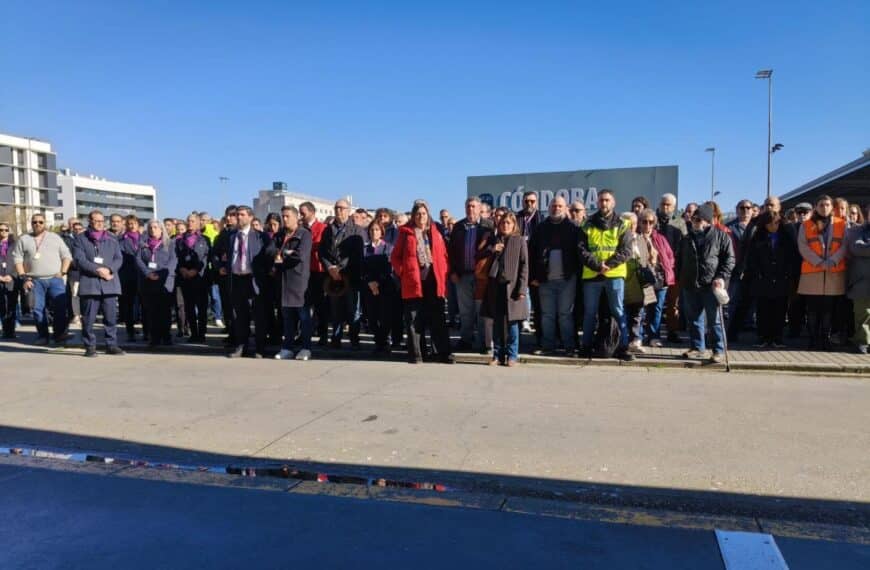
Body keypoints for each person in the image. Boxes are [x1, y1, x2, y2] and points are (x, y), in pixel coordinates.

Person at [390, 201, 454, 364]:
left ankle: (442, 353)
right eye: (418, 214)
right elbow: (395, 257)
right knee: (414, 320)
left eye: (424, 213)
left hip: (433, 281)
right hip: (414, 282)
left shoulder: (436, 231)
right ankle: (417, 354)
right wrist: (404, 272)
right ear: (413, 215)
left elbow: (444, 255)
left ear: (428, 214)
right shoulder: (406, 233)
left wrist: (444, 272)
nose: (421, 217)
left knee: (438, 319)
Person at [675, 203, 735, 363]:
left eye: (699, 219)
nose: (695, 222)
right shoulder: (687, 238)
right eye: (694, 219)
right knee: (693, 319)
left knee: (714, 320)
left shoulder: (721, 236)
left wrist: (721, 277)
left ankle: (718, 350)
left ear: (708, 221)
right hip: (690, 284)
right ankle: (697, 348)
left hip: (711, 285)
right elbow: (679, 259)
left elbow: (729, 260)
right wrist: (680, 279)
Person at [579, 190, 634, 361]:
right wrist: (597, 265)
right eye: (601, 200)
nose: (604, 203)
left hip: (614, 275)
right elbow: (581, 250)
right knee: (589, 313)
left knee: (618, 311)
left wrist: (607, 266)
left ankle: (624, 347)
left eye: (607, 200)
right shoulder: (587, 223)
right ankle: (586, 347)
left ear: (613, 202)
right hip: (592, 275)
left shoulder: (623, 224)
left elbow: (626, 251)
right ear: (597, 202)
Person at [528, 196, 579, 355]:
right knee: (547, 315)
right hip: (545, 280)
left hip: (567, 280)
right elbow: (532, 253)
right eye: (553, 206)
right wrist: (533, 276)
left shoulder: (573, 228)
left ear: (565, 208)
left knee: (565, 315)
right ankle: (547, 346)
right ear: (549, 208)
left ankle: (569, 347)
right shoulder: (540, 228)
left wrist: (575, 274)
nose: (556, 208)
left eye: (559, 206)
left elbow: (579, 253)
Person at [13, 213, 72, 346]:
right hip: (34, 280)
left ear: (45, 223)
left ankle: (59, 334)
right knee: (38, 309)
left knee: (60, 308)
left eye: (40, 222)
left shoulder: (55, 238)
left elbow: (66, 255)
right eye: (35, 222)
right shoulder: (24, 239)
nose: (37, 224)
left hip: (54, 279)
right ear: (31, 223)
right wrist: (23, 277)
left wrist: (63, 272)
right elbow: (17, 259)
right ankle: (43, 335)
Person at [796, 195, 847, 351]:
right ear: (816, 206)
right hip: (812, 272)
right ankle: (813, 339)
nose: (824, 207)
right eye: (821, 205)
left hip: (833, 272)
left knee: (828, 310)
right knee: (812, 309)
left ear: (832, 207)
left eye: (827, 205)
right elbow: (802, 246)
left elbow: (845, 245)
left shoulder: (841, 224)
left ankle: (825, 339)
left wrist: (833, 260)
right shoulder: (806, 225)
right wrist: (818, 261)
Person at [72, 210, 125, 357]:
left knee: (110, 317)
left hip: (109, 283)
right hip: (90, 284)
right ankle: (90, 346)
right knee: (88, 319)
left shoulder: (112, 239)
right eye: (96, 221)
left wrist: (109, 269)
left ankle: (111, 345)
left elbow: (118, 259)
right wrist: (97, 270)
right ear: (90, 221)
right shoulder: (80, 239)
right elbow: (79, 260)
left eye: (102, 221)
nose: (100, 224)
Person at [744, 211, 799, 348]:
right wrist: (758, 273)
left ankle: (777, 337)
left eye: (776, 223)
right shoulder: (758, 238)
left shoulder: (786, 238)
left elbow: (792, 258)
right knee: (763, 310)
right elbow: (751, 259)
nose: (774, 226)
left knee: (780, 310)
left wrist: (787, 274)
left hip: (781, 279)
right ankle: (763, 337)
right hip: (763, 279)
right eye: (770, 223)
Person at [480, 212, 528, 366]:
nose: (505, 225)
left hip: (512, 288)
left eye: (508, 223)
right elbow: (481, 256)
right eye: (502, 223)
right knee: (497, 323)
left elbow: (524, 266)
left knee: (512, 323)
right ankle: (497, 355)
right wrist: (493, 250)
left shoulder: (519, 241)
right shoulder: (494, 240)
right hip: (496, 286)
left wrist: (521, 289)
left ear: (514, 225)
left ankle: (512, 356)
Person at [447, 197, 494, 352]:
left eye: (473, 206)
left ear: (480, 208)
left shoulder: (488, 226)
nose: (470, 209)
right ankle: (466, 340)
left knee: (481, 310)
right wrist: (453, 271)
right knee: (465, 311)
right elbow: (451, 252)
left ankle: (483, 342)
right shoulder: (459, 227)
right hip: (462, 276)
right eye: (468, 206)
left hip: (481, 276)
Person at [223, 205, 270, 358]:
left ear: (250, 217)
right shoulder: (231, 236)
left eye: (242, 214)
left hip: (253, 280)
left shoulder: (260, 236)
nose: (239, 217)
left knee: (259, 315)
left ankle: (260, 347)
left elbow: (268, 257)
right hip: (236, 279)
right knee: (239, 315)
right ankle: (241, 346)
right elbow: (223, 256)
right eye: (237, 215)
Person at [319, 199, 367, 349]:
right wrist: (330, 268)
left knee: (353, 310)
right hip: (333, 277)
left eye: (342, 208)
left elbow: (357, 253)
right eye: (336, 208)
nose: (338, 211)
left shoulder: (357, 230)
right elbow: (322, 251)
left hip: (350, 275)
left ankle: (354, 338)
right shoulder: (328, 229)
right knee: (335, 310)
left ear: (348, 210)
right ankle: (336, 338)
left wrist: (339, 268)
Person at [273, 206, 313, 361]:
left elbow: (300, 256)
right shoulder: (279, 235)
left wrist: (282, 255)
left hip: (299, 281)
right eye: (283, 216)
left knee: (304, 317)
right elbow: (270, 251)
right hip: (283, 281)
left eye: (288, 216)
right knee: (287, 318)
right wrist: (283, 254)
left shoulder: (304, 234)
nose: (285, 219)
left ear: (296, 218)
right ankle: (287, 347)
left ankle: (306, 347)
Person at [136, 219, 177, 348]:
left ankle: (166, 336)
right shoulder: (143, 244)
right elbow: (138, 260)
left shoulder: (169, 243)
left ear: (161, 229)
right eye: (150, 228)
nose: (152, 230)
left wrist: (162, 274)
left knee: (164, 311)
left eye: (155, 227)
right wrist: (148, 273)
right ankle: (154, 337)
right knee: (151, 312)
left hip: (164, 281)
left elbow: (173, 260)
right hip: (148, 281)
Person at [656, 193, 687, 343]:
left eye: (668, 205)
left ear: (674, 207)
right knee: (654, 304)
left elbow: (684, 246)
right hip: (655, 269)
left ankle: (672, 332)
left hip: (674, 270)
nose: (665, 207)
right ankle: (653, 334)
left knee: (672, 304)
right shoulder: (653, 221)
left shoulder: (680, 223)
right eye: (663, 204)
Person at [362, 220, 396, 354]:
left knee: (385, 316)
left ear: (381, 232)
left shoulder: (388, 247)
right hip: (369, 287)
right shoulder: (365, 249)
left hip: (385, 286)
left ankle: (384, 342)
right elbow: (362, 268)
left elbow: (389, 268)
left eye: (377, 229)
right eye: (371, 230)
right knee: (372, 316)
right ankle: (378, 341)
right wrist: (370, 282)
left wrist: (378, 283)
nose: (374, 232)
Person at [176, 213, 211, 343]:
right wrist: (182, 269)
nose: (190, 223)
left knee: (202, 308)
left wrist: (195, 270)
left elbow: (206, 258)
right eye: (188, 221)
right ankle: (194, 333)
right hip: (185, 278)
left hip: (200, 278)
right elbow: (177, 257)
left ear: (198, 223)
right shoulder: (180, 240)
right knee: (189, 307)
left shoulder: (205, 239)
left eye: (192, 221)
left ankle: (202, 334)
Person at [299, 201, 329, 346]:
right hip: (303, 271)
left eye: (303, 212)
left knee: (320, 306)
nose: (301, 215)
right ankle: (304, 334)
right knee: (303, 305)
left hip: (318, 271)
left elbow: (319, 246)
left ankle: (323, 335)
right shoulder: (300, 228)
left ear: (312, 212)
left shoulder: (322, 228)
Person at [211, 205, 238, 346]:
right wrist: (219, 267)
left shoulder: (241, 233)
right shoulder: (222, 234)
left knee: (236, 308)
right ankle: (231, 333)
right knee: (227, 306)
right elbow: (214, 253)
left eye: (232, 215)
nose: (229, 218)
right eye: (227, 215)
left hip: (237, 276)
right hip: (224, 276)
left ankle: (238, 335)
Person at [516, 191, 542, 335]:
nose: (529, 204)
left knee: (537, 298)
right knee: (522, 293)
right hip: (521, 262)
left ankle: (539, 330)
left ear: (536, 202)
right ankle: (524, 320)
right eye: (526, 201)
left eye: (532, 201)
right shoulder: (516, 218)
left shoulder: (541, 219)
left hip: (536, 263)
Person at [846, 204, 870, 354]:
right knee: (863, 314)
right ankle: (862, 341)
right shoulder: (856, 230)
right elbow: (857, 247)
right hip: (861, 281)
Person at [118, 215, 143, 342]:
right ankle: (130, 331)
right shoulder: (121, 240)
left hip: (143, 275)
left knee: (144, 304)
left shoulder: (144, 238)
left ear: (138, 225)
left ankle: (147, 331)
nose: (131, 226)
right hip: (127, 275)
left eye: (134, 223)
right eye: (129, 224)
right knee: (128, 304)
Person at [0, 223, 19, 339]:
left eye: (6, 230)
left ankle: (11, 331)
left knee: (12, 305)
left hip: (12, 279)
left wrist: (12, 276)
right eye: (1, 230)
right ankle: (5, 330)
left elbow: (20, 262)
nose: (3, 232)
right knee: (1, 306)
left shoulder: (15, 245)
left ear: (9, 231)